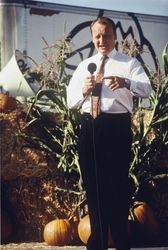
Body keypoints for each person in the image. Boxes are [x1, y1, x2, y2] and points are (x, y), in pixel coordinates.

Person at [67, 17, 152, 250]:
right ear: (93, 37)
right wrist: (84, 89)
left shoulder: (129, 63)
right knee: (93, 187)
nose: (101, 40)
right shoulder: (86, 66)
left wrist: (126, 82)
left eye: (106, 35)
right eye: (97, 36)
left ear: (115, 37)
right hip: (90, 128)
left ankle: (121, 242)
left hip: (117, 128)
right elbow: (71, 101)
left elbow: (147, 89)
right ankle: (98, 243)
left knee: (116, 186)